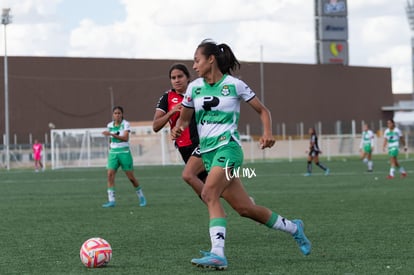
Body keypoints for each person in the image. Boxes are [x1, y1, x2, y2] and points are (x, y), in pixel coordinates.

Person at [171, 39, 311, 270]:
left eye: (197, 60)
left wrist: (267, 132)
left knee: (209, 192)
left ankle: (218, 253)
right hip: (207, 152)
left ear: (211, 59)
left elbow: (262, 110)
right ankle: (294, 228)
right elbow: (186, 118)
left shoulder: (235, 85)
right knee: (245, 209)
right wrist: (179, 127)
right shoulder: (194, 88)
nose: (194, 66)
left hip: (229, 149)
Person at [152, 64, 206, 197]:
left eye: (180, 76)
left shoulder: (199, 91)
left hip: (203, 143)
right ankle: (240, 201)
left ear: (188, 78)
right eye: (173, 78)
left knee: (197, 178)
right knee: (202, 184)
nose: (176, 80)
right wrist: (172, 112)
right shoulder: (167, 98)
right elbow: (155, 126)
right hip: (184, 147)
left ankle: (219, 210)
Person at [101, 106, 147, 208]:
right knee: (110, 175)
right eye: (115, 113)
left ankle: (141, 197)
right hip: (113, 153)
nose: (117, 115)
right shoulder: (110, 125)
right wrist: (110, 146)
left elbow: (125, 138)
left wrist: (111, 134)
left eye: (119, 113)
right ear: (113, 115)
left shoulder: (125, 124)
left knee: (131, 177)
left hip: (124, 152)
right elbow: (110, 140)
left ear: (122, 114)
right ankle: (111, 200)